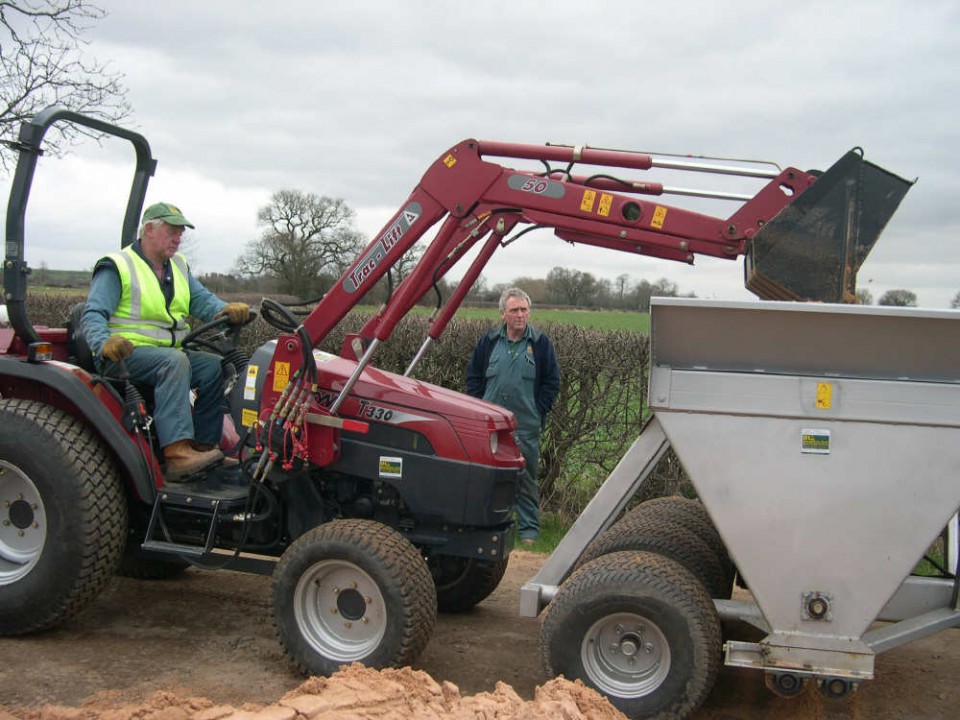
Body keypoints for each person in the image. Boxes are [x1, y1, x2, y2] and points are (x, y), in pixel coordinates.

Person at [82, 202, 250, 481]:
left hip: (168, 355)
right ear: (149, 229)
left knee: (214, 367)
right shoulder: (118, 267)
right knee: (175, 362)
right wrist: (103, 343)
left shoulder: (178, 266)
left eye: (181, 233)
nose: (178, 238)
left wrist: (225, 309)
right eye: (172, 231)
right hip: (123, 357)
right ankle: (177, 453)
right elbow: (93, 313)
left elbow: (202, 301)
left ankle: (204, 448)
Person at [466, 287, 560, 546]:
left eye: (524, 310)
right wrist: (479, 409)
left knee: (526, 478)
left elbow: (552, 383)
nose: (520, 315)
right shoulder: (489, 342)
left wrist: (537, 411)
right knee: (487, 476)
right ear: (503, 314)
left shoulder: (540, 344)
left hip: (525, 426)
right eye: (514, 310)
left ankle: (528, 532)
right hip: (490, 427)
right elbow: (473, 377)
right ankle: (486, 526)